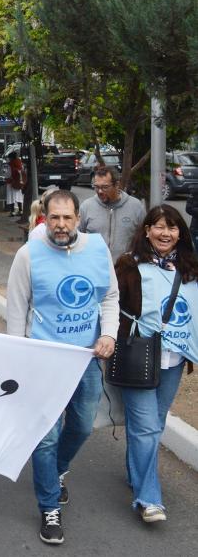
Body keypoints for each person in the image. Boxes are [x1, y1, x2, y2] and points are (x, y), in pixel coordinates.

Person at [7, 189, 118, 545]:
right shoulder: (28, 255)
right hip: (44, 361)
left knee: (83, 426)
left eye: (67, 218)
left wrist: (110, 334)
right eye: (54, 218)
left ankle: (55, 473)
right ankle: (49, 508)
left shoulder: (98, 250)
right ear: (45, 217)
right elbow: (15, 310)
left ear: (78, 219)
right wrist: (20, 359)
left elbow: (110, 297)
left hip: (85, 359)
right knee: (47, 437)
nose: (60, 224)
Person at [114, 205, 198, 523]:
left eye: (172, 228)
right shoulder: (128, 265)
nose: (165, 233)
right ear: (146, 230)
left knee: (155, 424)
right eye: (158, 227)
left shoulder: (190, 268)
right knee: (147, 428)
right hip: (139, 357)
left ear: (181, 233)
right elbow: (111, 306)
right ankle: (149, 499)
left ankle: (136, 473)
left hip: (174, 361)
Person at [79, 166, 146, 259]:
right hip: (95, 267)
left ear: (117, 185)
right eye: (96, 187)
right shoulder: (86, 207)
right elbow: (78, 238)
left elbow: (143, 238)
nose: (100, 191)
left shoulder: (136, 207)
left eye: (105, 187)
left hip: (124, 269)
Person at [6, 151, 26, 216]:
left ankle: (12, 212)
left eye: (9, 158)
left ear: (11, 158)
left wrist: (5, 179)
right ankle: (20, 210)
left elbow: (8, 175)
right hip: (18, 183)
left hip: (11, 183)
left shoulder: (10, 165)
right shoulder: (20, 164)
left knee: (11, 197)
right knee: (19, 197)